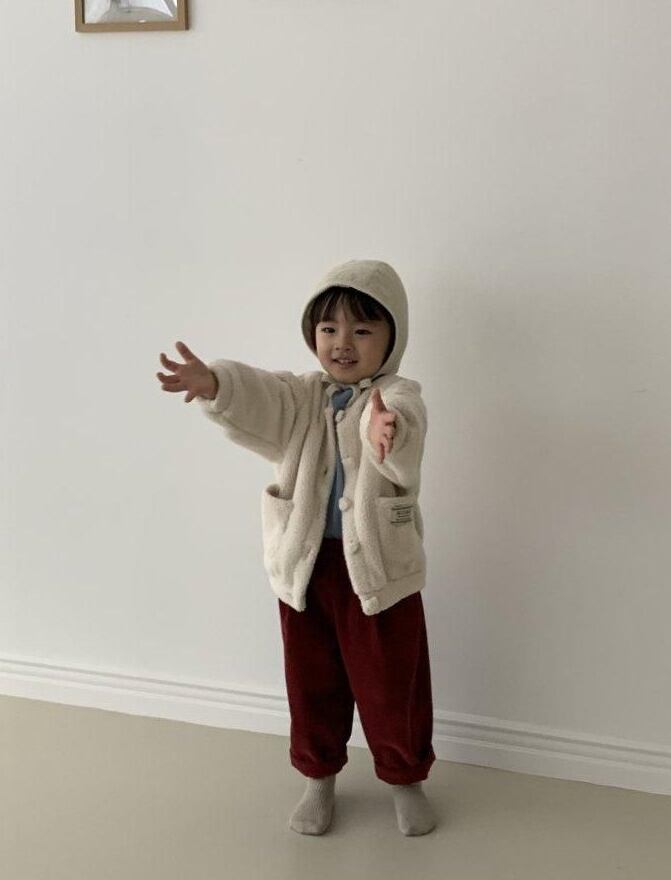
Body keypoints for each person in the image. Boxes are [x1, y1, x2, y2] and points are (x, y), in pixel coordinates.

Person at [156, 258, 437, 836]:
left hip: (380, 573)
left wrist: (386, 432)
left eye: (362, 330)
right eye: (329, 328)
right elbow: (261, 396)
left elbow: (403, 427)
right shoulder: (303, 395)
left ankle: (405, 777)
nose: (342, 343)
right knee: (312, 683)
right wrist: (217, 384)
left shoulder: (397, 394)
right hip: (306, 568)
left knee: (393, 684)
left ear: (393, 338)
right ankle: (318, 777)